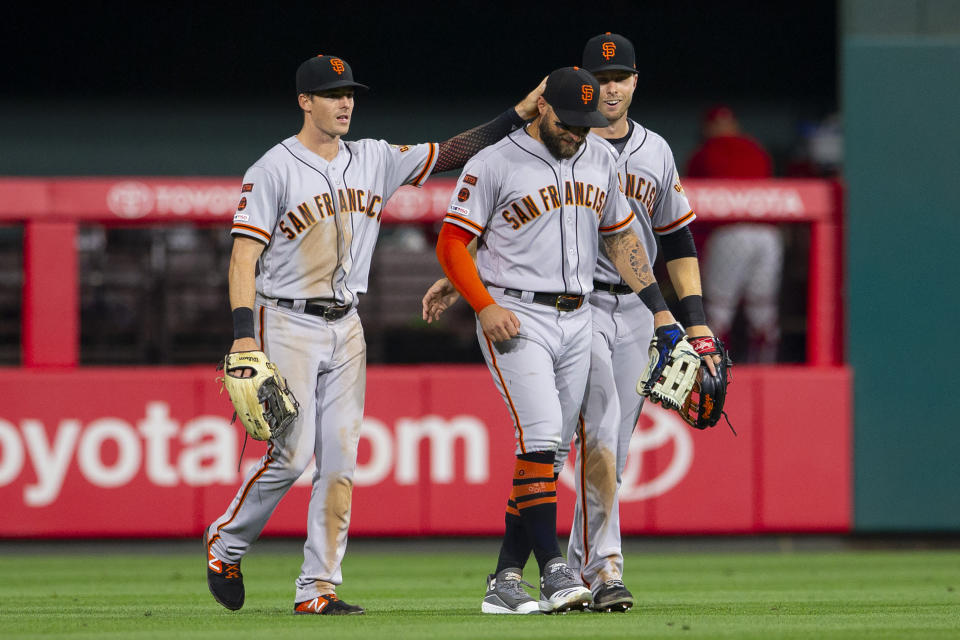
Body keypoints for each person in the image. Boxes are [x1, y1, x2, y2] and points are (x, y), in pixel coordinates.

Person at [203, 53, 543, 616]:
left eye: (350, 93)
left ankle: (317, 589)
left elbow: (451, 152)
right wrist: (243, 335)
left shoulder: (375, 159)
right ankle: (227, 542)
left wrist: (517, 113)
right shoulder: (273, 168)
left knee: (339, 463)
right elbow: (244, 256)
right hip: (285, 318)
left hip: (347, 324)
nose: (344, 103)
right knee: (290, 456)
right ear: (304, 101)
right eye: (332, 93)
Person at [423, 33, 721, 614]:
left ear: (636, 81)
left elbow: (629, 235)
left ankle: (533, 574)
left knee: (585, 444)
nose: (586, 124)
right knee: (546, 440)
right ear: (548, 104)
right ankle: (558, 569)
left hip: (595, 307)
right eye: (581, 107)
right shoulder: (499, 159)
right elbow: (461, 238)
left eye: (618, 81)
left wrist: (673, 315)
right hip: (525, 312)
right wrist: (477, 293)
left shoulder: (616, 154)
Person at [686, 104, 782, 363]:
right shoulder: (756, 149)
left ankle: (712, 369)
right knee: (762, 310)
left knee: (719, 311)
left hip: (730, 234)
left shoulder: (703, 153)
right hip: (767, 235)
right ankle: (766, 367)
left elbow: (690, 209)